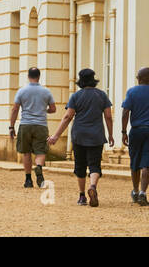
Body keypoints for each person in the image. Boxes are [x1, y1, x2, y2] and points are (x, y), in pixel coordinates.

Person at [48, 68, 113, 206]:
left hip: (79, 135)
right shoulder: (102, 95)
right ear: (93, 79)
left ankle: (82, 196)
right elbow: (108, 116)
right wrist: (111, 134)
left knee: (80, 166)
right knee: (95, 165)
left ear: (81, 80)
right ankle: (93, 186)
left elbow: (67, 117)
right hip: (96, 135)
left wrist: (55, 136)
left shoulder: (76, 96)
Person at [120, 67, 149, 206]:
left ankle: (134, 190)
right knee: (148, 163)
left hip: (137, 131)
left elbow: (125, 112)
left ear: (138, 78)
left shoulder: (132, 92)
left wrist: (123, 131)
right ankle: (143, 192)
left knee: (135, 161)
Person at [9, 67, 56, 189]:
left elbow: (15, 109)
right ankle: (39, 167)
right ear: (39, 76)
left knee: (26, 152)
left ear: (28, 76)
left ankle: (28, 180)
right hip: (41, 125)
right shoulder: (46, 92)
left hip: (25, 124)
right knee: (40, 151)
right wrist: (43, 110)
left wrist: (11, 126)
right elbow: (53, 109)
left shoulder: (22, 91)